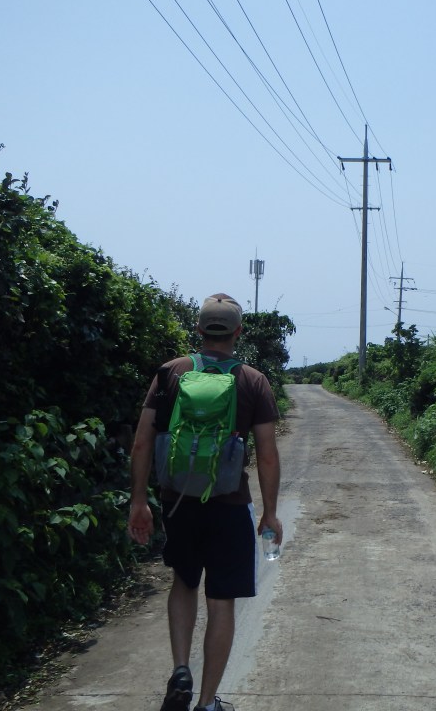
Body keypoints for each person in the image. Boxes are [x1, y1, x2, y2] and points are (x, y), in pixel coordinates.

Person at [128, 293, 282, 711]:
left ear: (198, 330)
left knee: (184, 581)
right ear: (238, 332)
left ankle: (181, 669)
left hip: (178, 501)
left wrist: (138, 500)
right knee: (221, 600)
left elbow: (142, 442)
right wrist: (269, 512)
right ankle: (208, 703)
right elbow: (267, 453)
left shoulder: (170, 373)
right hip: (229, 504)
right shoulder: (253, 381)